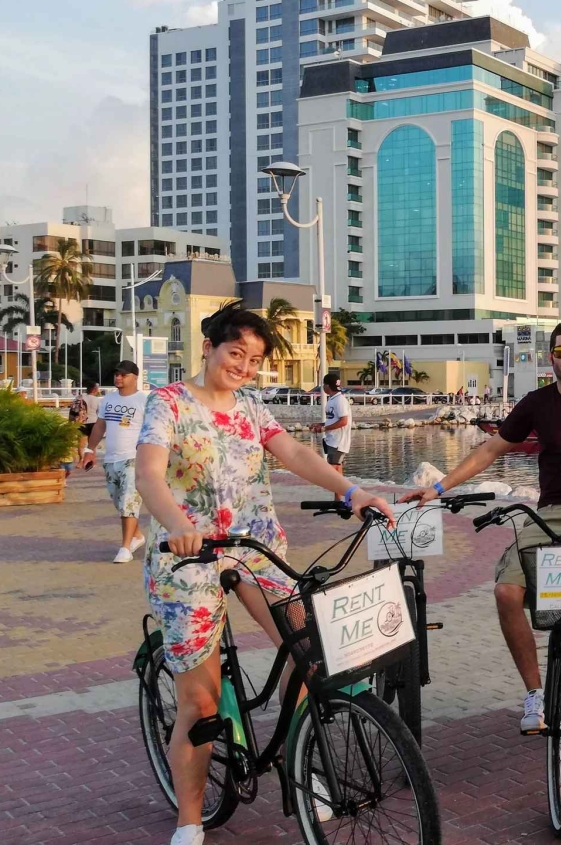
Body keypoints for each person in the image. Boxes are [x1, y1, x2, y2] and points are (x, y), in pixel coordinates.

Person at [135, 303, 394, 845]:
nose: (245, 367)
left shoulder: (252, 407)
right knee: (200, 702)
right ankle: (189, 819)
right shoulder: (168, 403)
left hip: (255, 549)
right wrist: (181, 524)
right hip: (187, 557)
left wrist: (352, 492)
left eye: (254, 360)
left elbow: (296, 451)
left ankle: (306, 773)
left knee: (307, 659)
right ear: (209, 348)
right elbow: (150, 473)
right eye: (237, 354)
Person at [399, 321, 561, 734]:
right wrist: (439, 487)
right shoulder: (537, 403)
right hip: (550, 511)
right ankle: (535, 692)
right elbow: (490, 450)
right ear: (550, 357)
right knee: (506, 591)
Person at [79, 362, 149, 562]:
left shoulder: (144, 401)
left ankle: (125, 548)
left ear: (134, 377)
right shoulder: (107, 400)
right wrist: (89, 450)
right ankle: (137, 536)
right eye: (116, 374)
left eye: (123, 375)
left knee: (129, 501)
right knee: (119, 501)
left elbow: (153, 430)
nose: (118, 378)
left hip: (133, 458)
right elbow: (100, 427)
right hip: (111, 459)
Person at [308, 372, 352, 497]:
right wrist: (320, 425)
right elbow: (333, 420)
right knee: (337, 474)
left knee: (331, 473)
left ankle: (349, 497)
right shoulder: (333, 400)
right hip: (332, 440)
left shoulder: (340, 401)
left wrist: (324, 428)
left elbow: (344, 421)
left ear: (327, 386)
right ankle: (339, 501)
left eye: (323, 384)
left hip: (338, 442)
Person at [71, 380, 103, 469]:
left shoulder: (80, 397)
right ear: (95, 389)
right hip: (93, 422)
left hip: (82, 422)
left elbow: (74, 409)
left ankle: (81, 461)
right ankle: (91, 461)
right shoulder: (96, 400)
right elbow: (99, 413)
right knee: (92, 444)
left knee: (81, 443)